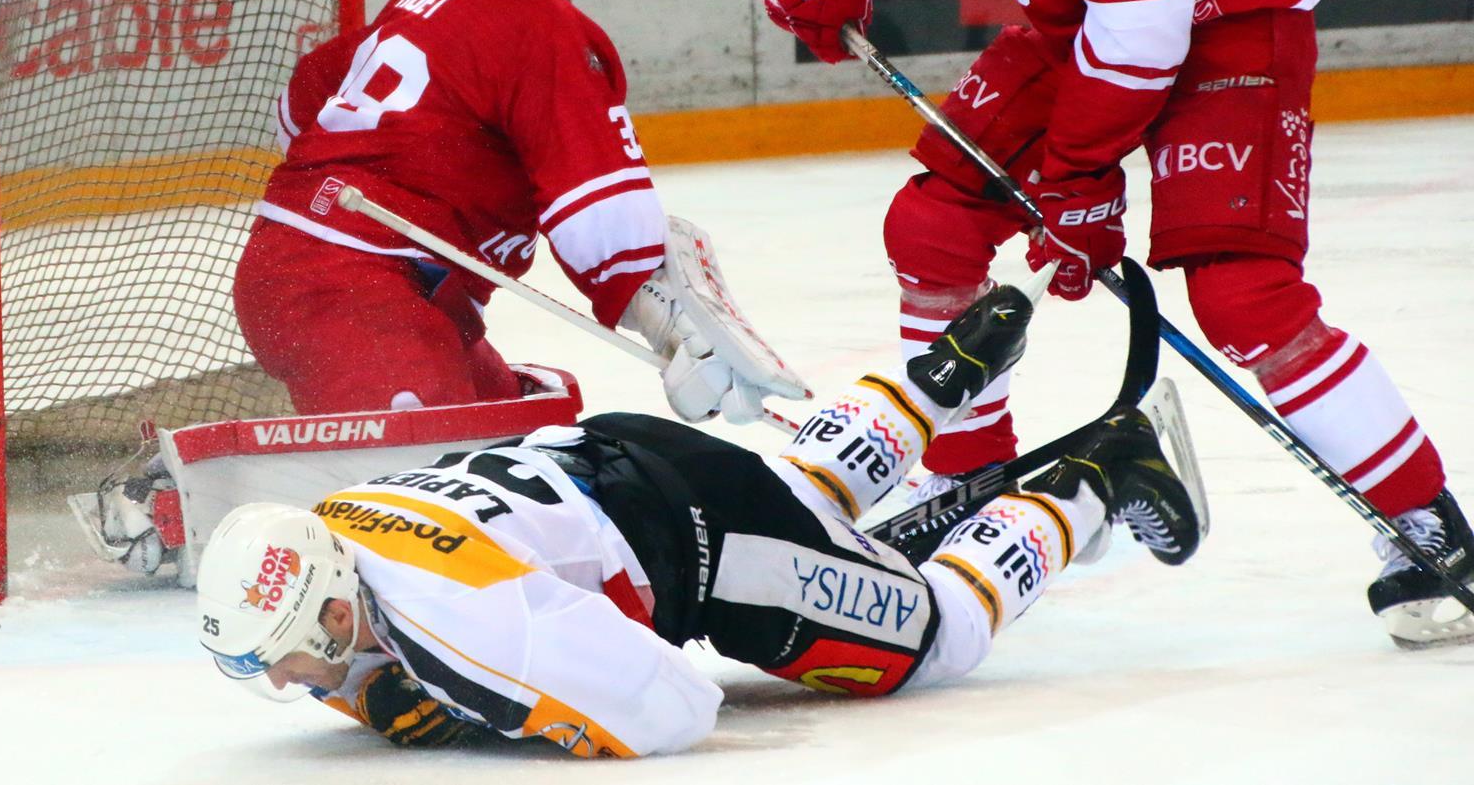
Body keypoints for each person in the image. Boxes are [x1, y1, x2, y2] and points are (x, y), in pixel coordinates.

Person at [763, 0, 1470, 647]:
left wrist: (1080, 181)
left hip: (1227, 14)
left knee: (1243, 299)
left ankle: (1427, 522)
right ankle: (977, 488)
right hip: (1080, 22)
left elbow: (1143, 34)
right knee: (933, 225)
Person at [195, 279, 1205, 755]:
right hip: (621, 453)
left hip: (708, 550)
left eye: (286, 660)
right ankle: (938, 374)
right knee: (799, 494)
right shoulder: (337, 523)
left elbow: (674, 705)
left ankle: (1096, 475)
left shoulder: (473, 625)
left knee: (932, 636)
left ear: (334, 615)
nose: (287, 684)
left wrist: (489, 720)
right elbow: (378, 641)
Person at [235, 0, 798, 422]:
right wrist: (673, 328)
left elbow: (300, 105)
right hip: (354, 290)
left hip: (314, 273)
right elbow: (598, 206)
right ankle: (162, 503)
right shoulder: (541, 26)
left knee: (521, 426)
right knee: (423, 479)